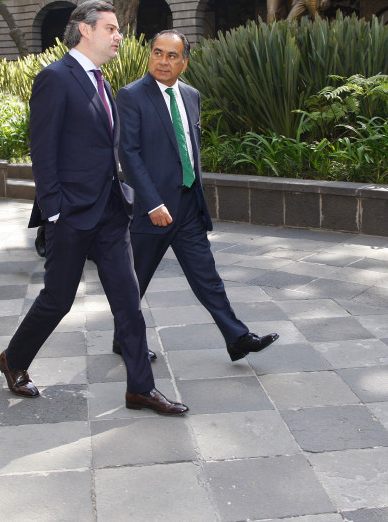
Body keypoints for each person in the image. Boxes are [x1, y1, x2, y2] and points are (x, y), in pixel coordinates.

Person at [0, 0, 188, 416]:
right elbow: (43, 151)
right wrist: (55, 211)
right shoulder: (55, 78)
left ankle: (141, 388)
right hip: (72, 212)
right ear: (85, 30)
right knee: (58, 299)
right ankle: (14, 359)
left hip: (111, 212)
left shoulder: (102, 79)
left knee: (128, 300)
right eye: (112, 28)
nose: (120, 36)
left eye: (119, 30)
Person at [116, 30, 279, 362]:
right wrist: (153, 202)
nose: (163, 61)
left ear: (184, 62)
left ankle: (236, 338)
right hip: (154, 208)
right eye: (158, 53)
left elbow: (188, 148)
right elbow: (128, 155)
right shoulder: (131, 96)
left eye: (172, 55)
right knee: (135, 282)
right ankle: (125, 340)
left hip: (188, 203)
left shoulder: (191, 96)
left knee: (207, 276)